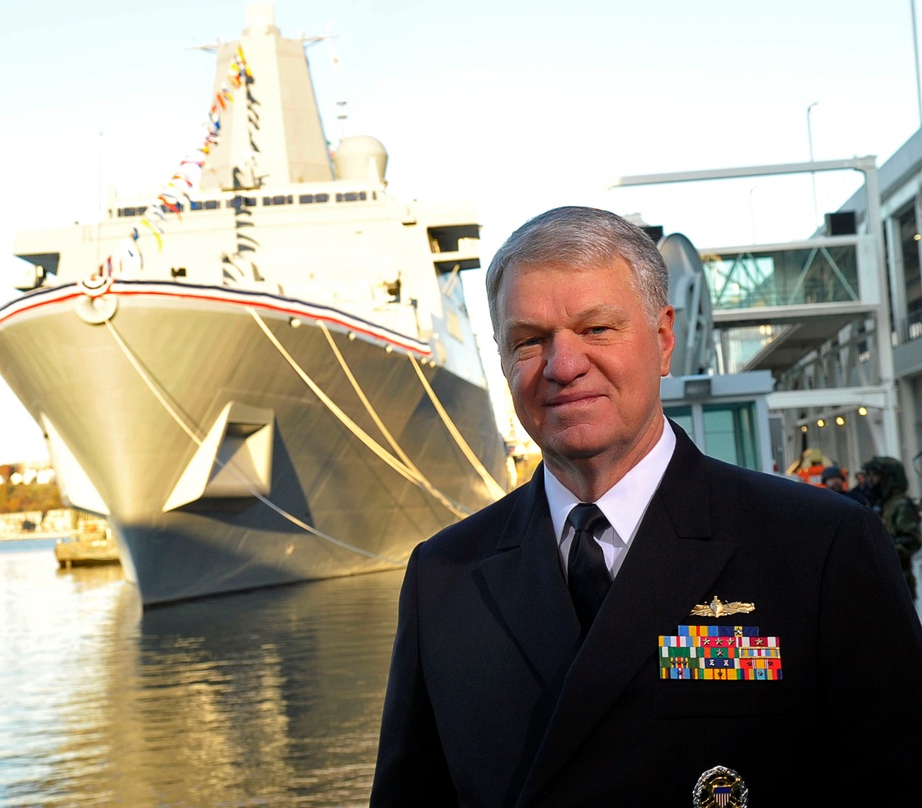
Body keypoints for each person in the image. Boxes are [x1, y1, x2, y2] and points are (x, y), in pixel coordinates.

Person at [370, 206, 922, 806]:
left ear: (663, 340)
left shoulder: (819, 549)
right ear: (502, 358)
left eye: (597, 330)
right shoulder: (443, 577)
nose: (562, 365)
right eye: (529, 341)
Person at [862, 455, 921, 601]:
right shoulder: (880, 504)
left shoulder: (901, 504)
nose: (870, 480)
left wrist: (880, 555)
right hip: (880, 581)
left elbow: (910, 540)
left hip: (899, 581)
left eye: (874, 475)